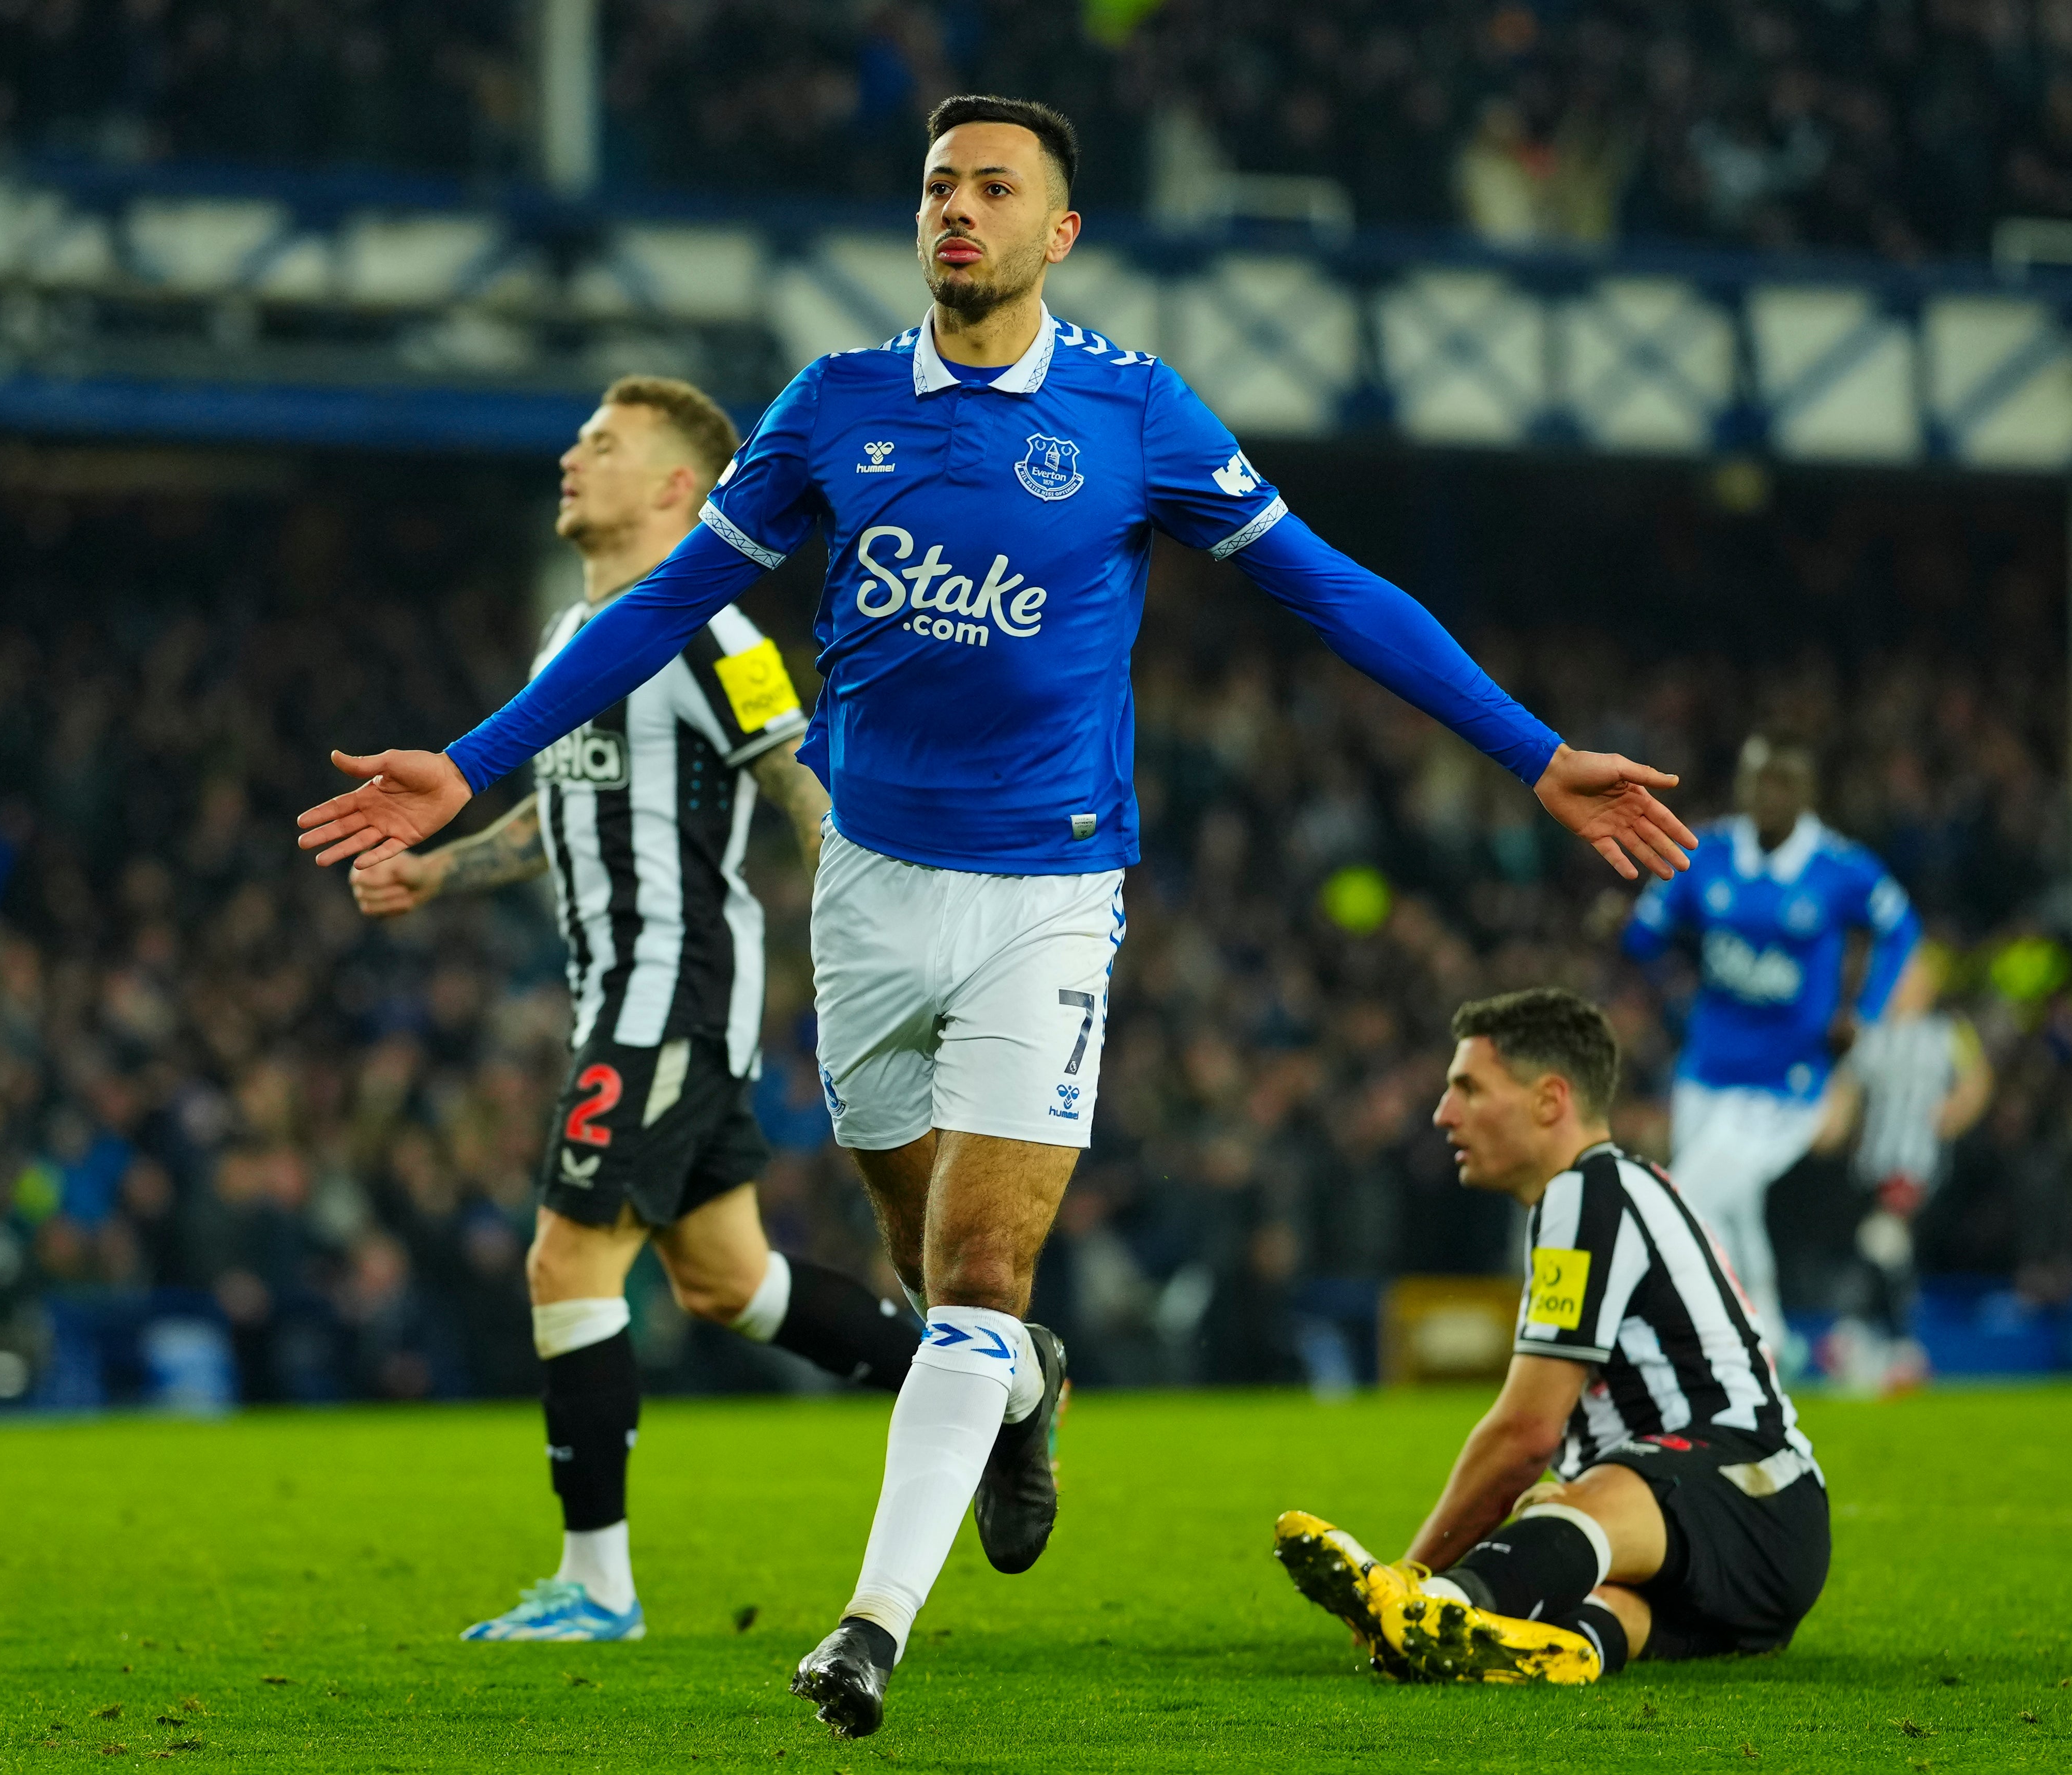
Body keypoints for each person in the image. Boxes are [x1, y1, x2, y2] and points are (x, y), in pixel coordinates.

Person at [297, 96, 1692, 1738]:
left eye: (992, 189)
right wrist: (467, 764)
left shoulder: (1131, 409)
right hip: (870, 897)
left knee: (971, 1267)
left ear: (1057, 233)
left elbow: (1323, 582)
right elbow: (670, 600)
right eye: (937, 185)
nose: (955, 210)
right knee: (927, 1276)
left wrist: (1530, 753)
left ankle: (867, 1625)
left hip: (1050, 891)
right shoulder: (831, 408)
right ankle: (1020, 1390)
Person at [347, 377, 920, 1644]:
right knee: (730, 1283)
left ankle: (598, 1586)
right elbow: (568, 817)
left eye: (602, 445)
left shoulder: (711, 631)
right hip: (625, 994)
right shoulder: (572, 637)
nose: (570, 458)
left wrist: (884, 950)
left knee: (567, 1258)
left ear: (678, 487)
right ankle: (978, 1393)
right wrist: (442, 870)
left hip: (674, 996)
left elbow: (798, 787)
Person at [1277, 988, 1828, 1684]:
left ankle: (1431, 1609)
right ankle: (1563, 1647)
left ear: (1548, 1100)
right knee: (1590, 1594)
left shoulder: (1587, 1191)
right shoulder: (1605, 1192)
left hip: (1741, 1488)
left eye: (1468, 1088)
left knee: (1574, 1494)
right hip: (1730, 1549)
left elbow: (1523, 1433)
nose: (1443, 1113)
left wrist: (1411, 1572)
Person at [1619, 734, 1919, 1354]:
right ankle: (1771, 1336)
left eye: (1782, 781)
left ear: (1807, 793)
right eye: (1758, 779)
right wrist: (1643, 955)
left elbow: (1900, 928)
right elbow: (1645, 934)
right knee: (1734, 1213)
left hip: (1790, 1082)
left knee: (1684, 1199)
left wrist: (1861, 1012)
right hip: (1705, 1069)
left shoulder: (1840, 867)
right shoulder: (1709, 851)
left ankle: (1650, 1341)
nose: (1767, 794)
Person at [1813, 941, 1990, 1391]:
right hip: (1872, 1164)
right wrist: (1827, 1130)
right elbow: (1847, 1090)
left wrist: (1957, 1110)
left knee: (1881, 1240)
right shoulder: (1872, 1035)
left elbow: (1977, 1081)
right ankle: (1897, 1349)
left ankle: (1853, 1335)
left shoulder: (1948, 1033)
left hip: (1916, 1163)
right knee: (1887, 1251)